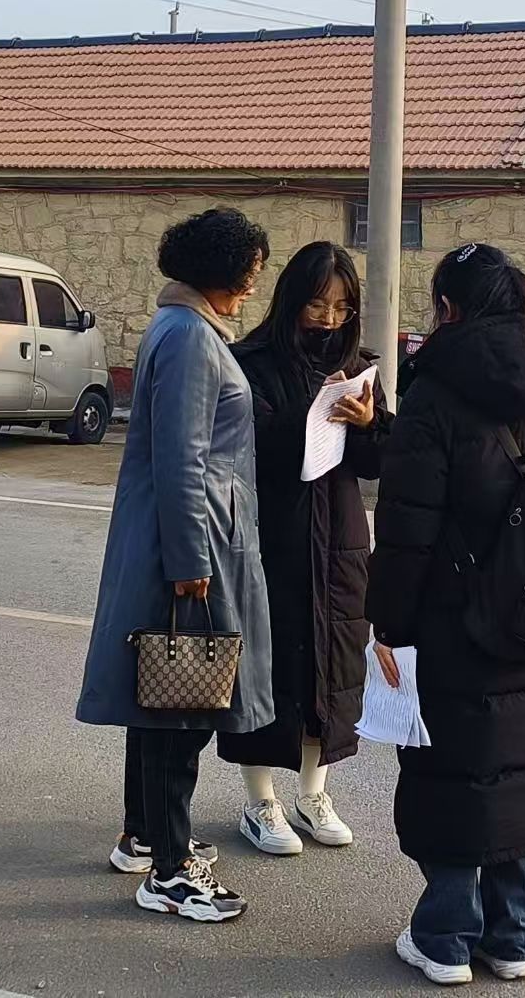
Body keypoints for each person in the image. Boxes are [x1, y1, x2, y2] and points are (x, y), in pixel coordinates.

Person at [366, 243, 525, 984]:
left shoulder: (433, 393)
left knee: (449, 767)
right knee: (518, 760)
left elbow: (407, 528)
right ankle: (511, 935)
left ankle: (444, 936)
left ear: (448, 307)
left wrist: (389, 624)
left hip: (450, 618)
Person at [76, 207, 275, 923]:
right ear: (221, 269)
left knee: (159, 695)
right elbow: (181, 458)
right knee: (183, 708)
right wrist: (192, 560)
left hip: (186, 538)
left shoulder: (182, 325)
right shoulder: (191, 336)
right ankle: (169, 871)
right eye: (249, 271)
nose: (252, 285)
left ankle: (145, 834)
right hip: (192, 547)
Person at [215, 241, 392, 855]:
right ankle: (260, 800)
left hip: (339, 539)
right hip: (272, 534)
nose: (329, 319)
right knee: (266, 667)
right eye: (318, 305)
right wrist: (310, 416)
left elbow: (378, 462)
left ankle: (314, 794)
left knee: (332, 666)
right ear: (292, 299)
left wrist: (368, 424)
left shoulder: (359, 366)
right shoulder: (251, 362)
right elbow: (241, 445)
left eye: (342, 308)